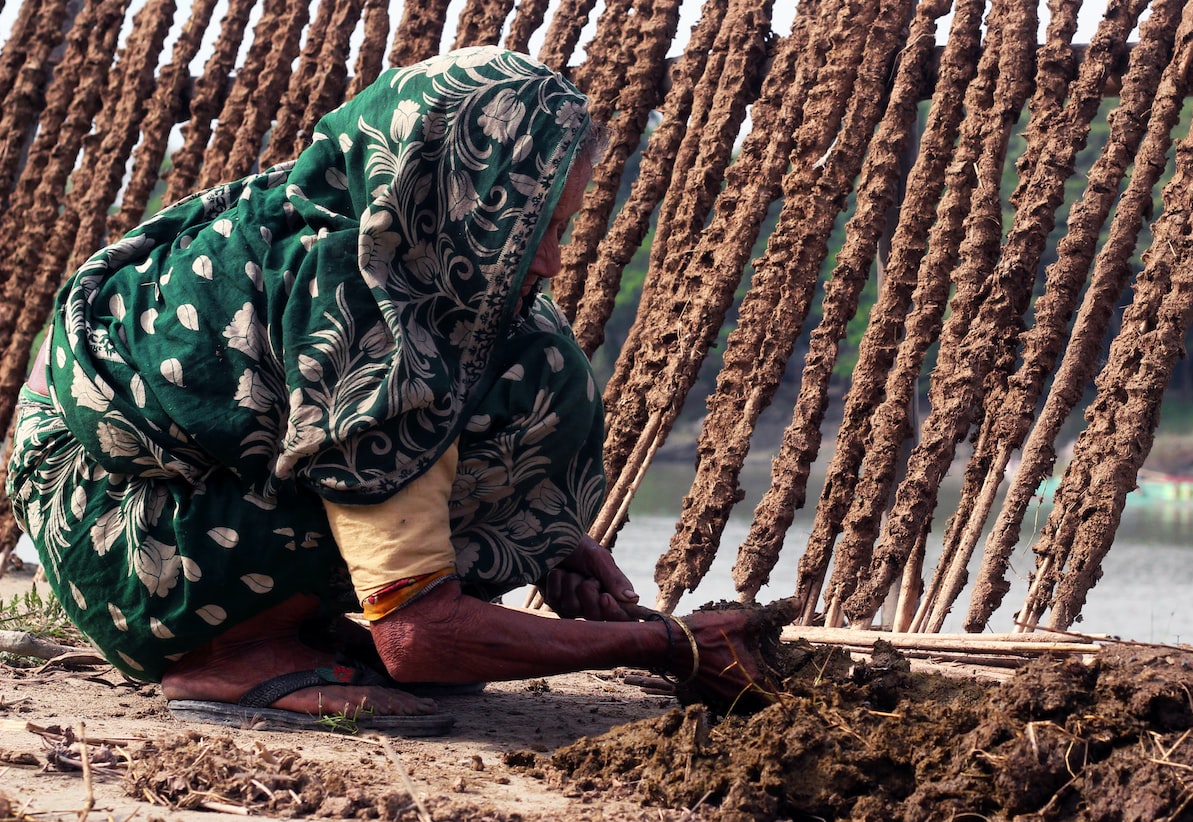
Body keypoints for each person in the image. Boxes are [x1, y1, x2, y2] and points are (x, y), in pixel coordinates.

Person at [7, 48, 776, 735]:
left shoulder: (387, 237)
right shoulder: (362, 312)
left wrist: (543, 533)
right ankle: (228, 653)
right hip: (118, 527)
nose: (547, 260)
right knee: (432, 527)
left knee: (534, 352)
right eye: (530, 227)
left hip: (172, 493)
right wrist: (667, 644)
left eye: (557, 227)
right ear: (448, 191)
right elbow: (420, 640)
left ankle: (288, 627)